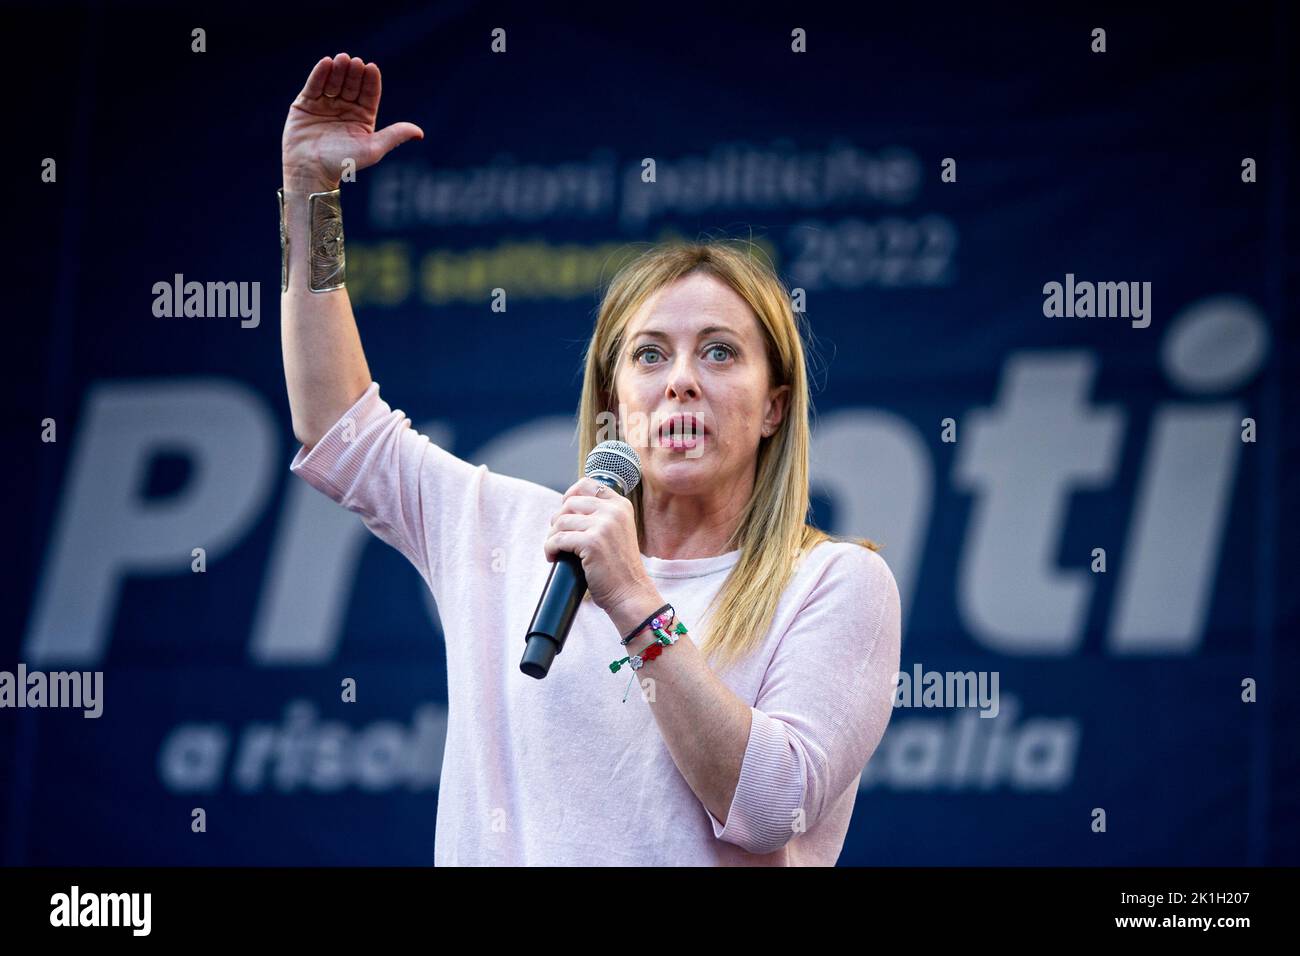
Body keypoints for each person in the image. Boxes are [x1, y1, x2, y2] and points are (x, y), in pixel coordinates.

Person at [280, 52, 901, 865]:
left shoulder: (833, 586)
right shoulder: (509, 532)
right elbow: (336, 421)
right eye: (650, 356)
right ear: (612, 407)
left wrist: (632, 598)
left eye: (718, 354)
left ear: (773, 408)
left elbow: (765, 807)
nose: (681, 381)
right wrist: (311, 195)